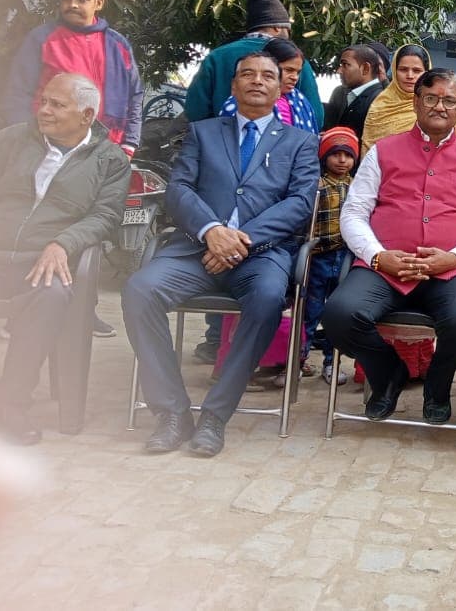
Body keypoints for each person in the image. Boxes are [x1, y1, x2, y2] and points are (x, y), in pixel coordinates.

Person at [122, 52, 320, 457]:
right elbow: (179, 190)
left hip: (261, 255)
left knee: (267, 298)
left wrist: (238, 239)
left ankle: (214, 416)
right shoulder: (203, 132)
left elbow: (300, 203)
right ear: (233, 86)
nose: (257, 81)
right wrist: (212, 231)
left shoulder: (301, 142)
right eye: (247, 74)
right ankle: (172, 413)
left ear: (282, 86)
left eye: (268, 75)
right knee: (139, 290)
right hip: (195, 250)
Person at [323, 69, 456, 425]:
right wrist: (378, 256)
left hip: (449, 271)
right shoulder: (382, 152)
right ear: (416, 101)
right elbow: (354, 213)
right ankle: (390, 372)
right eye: (432, 98)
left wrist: (454, 258)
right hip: (384, 269)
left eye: (449, 100)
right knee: (339, 316)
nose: (440, 106)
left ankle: (438, 383)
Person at [0, 74, 131, 444]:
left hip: (44, 261)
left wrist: (64, 242)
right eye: (43, 100)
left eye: (57, 104)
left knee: (53, 295)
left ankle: (11, 401)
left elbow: (106, 216)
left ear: (86, 115)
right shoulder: (8, 140)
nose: (44, 110)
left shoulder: (110, 160)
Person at [0, 0, 143, 338]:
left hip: (101, 152)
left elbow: (135, 95)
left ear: (98, 3)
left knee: (93, 226)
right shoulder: (41, 38)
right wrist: (18, 142)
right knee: (39, 219)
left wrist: (128, 145)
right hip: (43, 145)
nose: (72, 5)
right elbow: (17, 91)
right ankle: (21, 310)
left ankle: (83, 310)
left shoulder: (118, 45)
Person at [184, 0, 323, 128]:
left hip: (219, 141)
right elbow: (316, 116)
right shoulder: (295, 60)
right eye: (288, 29)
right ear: (276, 27)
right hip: (283, 144)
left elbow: (195, 111)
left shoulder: (217, 56)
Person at [304, 127, 359, 385]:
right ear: (324, 156)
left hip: (345, 258)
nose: (341, 160)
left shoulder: (358, 188)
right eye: (335, 154)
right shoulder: (315, 186)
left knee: (336, 315)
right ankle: (297, 361)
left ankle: (332, 363)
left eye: (347, 155)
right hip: (317, 258)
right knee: (310, 312)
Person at [361, 44, 452, 153]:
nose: (410, 75)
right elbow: (369, 152)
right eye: (403, 69)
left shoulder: (441, 106)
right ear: (395, 71)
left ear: (427, 73)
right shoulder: (380, 106)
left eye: (417, 71)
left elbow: (454, 152)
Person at [219, 37, 319, 132]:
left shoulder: (299, 100)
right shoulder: (244, 100)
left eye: (298, 72)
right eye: (289, 70)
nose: (295, 77)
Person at [323, 45, 386, 140]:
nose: (339, 71)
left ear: (365, 68)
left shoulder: (380, 100)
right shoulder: (344, 94)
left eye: (345, 65)